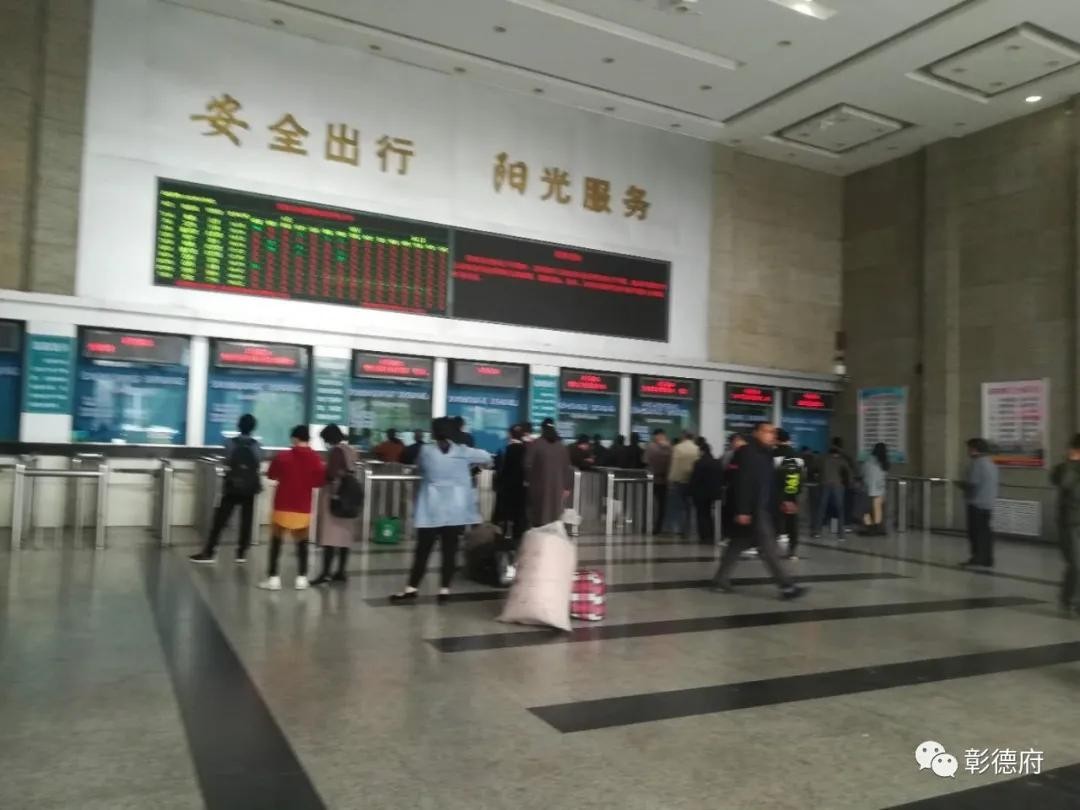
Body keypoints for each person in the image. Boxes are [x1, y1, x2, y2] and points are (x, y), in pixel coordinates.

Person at [391, 418, 491, 603]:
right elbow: (486, 457)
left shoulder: (426, 451)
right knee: (449, 551)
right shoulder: (463, 451)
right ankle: (444, 590)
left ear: (434, 433)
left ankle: (411, 588)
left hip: (431, 509)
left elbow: (421, 469)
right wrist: (470, 467)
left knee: (423, 551)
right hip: (455, 510)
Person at [711, 421, 806, 600]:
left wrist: (783, 501)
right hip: (754, 509)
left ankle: (720, 580)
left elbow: (770, 484)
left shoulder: (767, 454)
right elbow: (742, 482)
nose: (771, 435)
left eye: (773, 432)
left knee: (737, 544)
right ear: (756, 433)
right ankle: (787, 586)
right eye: (766, 431)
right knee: (769, 548)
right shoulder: (747, 452)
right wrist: (743, 510)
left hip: (763, 508)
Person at [259, 425, 325, 591]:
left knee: (276, 542)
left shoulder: (283, 456)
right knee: (302, 543)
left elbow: (271, 475)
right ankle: (301, 578)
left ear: (295, 438)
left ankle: (273, 578)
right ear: (308, 439)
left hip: (282, 506)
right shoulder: (316, 459)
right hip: (302, 507)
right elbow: (319, 481)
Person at [190, 413, 262, 564]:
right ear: (253, 428)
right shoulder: (256, 445)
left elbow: (227, 461)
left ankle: (209, 552)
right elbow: (257, 463)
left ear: (238, 425)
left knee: (220, 520)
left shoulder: (229, 443)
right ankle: (241, 553)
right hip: (249, 488)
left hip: (232, 487)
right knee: (246, 520)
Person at [312, 424, 357, 586]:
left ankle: (325, 573)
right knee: (344, 537)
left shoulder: (336, 451)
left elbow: (331, 474)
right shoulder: (350, 450)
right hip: (349, 496)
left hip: (334, 497)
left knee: (329, 537)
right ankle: (341, 572)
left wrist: (323, 472)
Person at [1051, 434, 1080, 616]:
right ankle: (1069, 600)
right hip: (1070, 523)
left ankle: (1069, 599)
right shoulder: (1063, 469)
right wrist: (1071, 462)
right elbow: (1064, 484)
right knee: (1076, 564)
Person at [960, 437, 998, 568]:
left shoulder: (977, 463)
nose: (968, 451)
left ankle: (977, 557)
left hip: (976, 503)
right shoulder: (991, 463)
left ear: (974, 449)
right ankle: (987, 558)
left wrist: (962, 486)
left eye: (969, 448)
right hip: (988, 503)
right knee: (986, 532)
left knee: (975, 532)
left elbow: (973, 484)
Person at [526, 422, 573, 527]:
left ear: (542, 429)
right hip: (558, 487)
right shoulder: (561, 446)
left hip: (539, 486)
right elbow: (568, 468)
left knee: (539, 513)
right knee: (555, 513)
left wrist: (528, 480)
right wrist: (567, 487)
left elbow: (527, 464)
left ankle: (540, 532)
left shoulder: (536, 444)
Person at [493, 424, 528, 549]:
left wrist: (498, 484)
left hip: (506, 490)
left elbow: (501, 469)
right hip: (521, 490)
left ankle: (503, 541)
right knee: (518, 517)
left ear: (510, 435)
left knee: (504, 516)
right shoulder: (526, 450)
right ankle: (518, 543)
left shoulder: (505, 449)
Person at [773, 429, 806, 559]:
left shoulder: (774, 454)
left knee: (774, 519)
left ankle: (770, 548)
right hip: (793, 493)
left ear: (777, 439)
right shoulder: (798, 455)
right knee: (792, 521)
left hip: (777, 493)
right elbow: (802, 475)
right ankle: (792, 550)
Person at [813, 438, 852, 539]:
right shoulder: (842, 459)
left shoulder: (823, 458)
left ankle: (817, 531)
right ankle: (841, 534)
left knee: (821, 508)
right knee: (840, 509)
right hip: (838, 485)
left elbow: (814, 469)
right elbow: (848, 472)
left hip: (824, 484)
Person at [689, 440, 724, 544]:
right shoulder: (717, 462)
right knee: (710, 514)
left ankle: (704, 535)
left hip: (700, 493)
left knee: (701, 514)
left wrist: (690, 491)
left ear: (702, 451)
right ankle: (713, 533)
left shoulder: (699, 463)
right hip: (714, 492)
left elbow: (695, 479)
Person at [667, 431, 701, 537]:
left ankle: (679, 528)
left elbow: (675, 465)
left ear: (684, 437)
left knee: (679, 506)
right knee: (690, 505)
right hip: (692, 481)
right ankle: (690, 528)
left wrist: (670, 479)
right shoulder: (697, 448)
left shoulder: (678, 448)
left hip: (679, 480)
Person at [720, 433, 748, 542]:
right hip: (733, 489)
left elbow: (724, 470)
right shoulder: (732, 454)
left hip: (735, 489)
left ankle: (733, 537)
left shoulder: (733, 455)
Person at [644, 429, 672, 534]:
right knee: (661, 506)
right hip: (663, 481)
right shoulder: (669, 448)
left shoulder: (650, 447)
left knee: (653, 505)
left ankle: (651, 526)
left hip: (653, 480)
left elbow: (645, 460)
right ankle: (658, 527)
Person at [860, 442, 890, 536]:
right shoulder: (884, 463)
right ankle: (879, 529)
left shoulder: (869, 461)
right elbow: (884, 476)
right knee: (878, 511)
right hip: (880, 491)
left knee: (866, 511)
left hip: (869, 490)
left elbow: (863, 472)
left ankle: (870, 529)